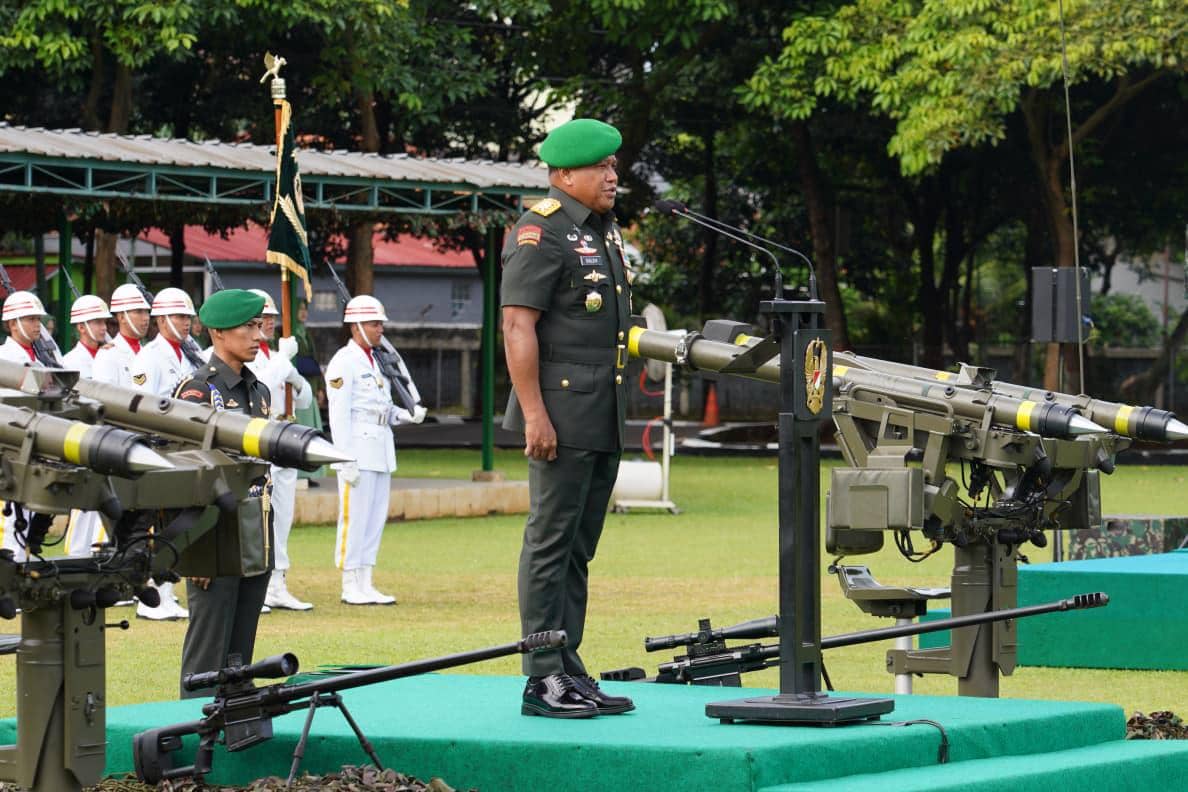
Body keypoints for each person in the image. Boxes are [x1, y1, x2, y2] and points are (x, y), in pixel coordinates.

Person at [501, 118, 635, 718]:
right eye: (601, 168)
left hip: (600, 409)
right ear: (563, 175)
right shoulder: (542, 231)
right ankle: (541, 675)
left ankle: (569, 666)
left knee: (580, 546)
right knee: (550, 542)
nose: (613, 176)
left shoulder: (602, 232)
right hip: (558, 409)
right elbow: (517, 325)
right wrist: (534, 414)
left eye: (613, 166)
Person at [173, 289, 273, 698]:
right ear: (218, 332)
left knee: (239, 660)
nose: (259, 335)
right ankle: (185, 739)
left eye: (258, 325)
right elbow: (183, 469)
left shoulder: (259, 390)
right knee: (207, 658)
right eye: (248, 327)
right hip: (213, 534)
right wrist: (193, 542)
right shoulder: (198, 391)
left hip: (254, 528)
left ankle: (234, 732)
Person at [324, 295, 426, 605]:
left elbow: (384, 405)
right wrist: (343, 458)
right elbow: (338, 414)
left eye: (380, 323)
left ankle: (366, 579)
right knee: (354, 517)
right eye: (373, 323)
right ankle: (349, 582)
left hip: (381, 446)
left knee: (374, 517)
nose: (380, 328)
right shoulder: (344, 360)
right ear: (356, 327)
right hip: (356, 447)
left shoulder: (378, 360)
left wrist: (405, 414)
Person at [128, 286, 202, 621]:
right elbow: (140, 409)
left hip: (185, 450)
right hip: (160, 449)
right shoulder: (149, 358)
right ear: (160, 319)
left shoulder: (190, 353)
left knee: (181, 523)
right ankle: (150, 595)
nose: (185, 322)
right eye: (178, 316)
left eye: (187, 316)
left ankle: (167, 590)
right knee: (157, 525)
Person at [246, 289, 314, 611]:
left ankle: (278, 583)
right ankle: (256, 585)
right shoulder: (251, 358)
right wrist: (284, 362)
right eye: (264, 318)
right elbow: (256, 386)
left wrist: (296, 380)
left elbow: (305, 399)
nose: (269, 323)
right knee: (257, 518)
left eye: (272, 318)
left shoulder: (276, 357)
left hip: (284, 442)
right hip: (257, 444)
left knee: (282, 519)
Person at [0, 290, 61, 562]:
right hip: (11, 445)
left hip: (37, 443)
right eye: (30, 319)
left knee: (32, 512)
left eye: (38, 319)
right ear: (12, 324)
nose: (38, 325)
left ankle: (25, 564)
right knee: (13, 515)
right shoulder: (4, 357)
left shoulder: (41, 359)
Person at [61, 295, 115, 557]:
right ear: (81, 327)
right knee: (83, 508)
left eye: (104, 321)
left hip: (107, 441)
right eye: (95, 322)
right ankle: (75, 558)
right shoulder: (70, 362)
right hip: (83, 440)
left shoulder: (112, 355)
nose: (103, 327)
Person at [93, 283, 152, 387]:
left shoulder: (148, 352)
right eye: (139, 311)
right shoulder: (107, 354)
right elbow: (105, 398)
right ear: (121, 317)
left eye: (147, 311)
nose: (146, 317)